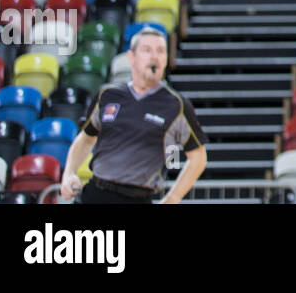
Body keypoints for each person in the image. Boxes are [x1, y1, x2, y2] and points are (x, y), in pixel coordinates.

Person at [59, 27, 206, 204]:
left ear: (166, 59)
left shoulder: (177, 105)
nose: (154, 56)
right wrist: (69, 174)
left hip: (138, 197)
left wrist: (172, 198)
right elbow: (85, 139)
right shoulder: (107, 95)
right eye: (147, 50)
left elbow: (198, 157)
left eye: (160, 51)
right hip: (95, 193)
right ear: (131, 57)